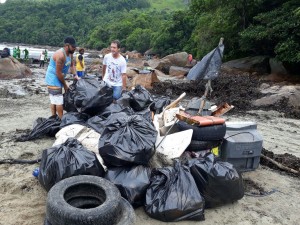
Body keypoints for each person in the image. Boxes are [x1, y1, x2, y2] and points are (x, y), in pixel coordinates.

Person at [45, 36, 77, 118]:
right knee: (58, 100)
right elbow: (58, 72)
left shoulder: (70, 54)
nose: (74, 48)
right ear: (67, 46)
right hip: (53, 77)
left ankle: (54, 117)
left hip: (59, 76)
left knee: (54, 99)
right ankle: (60, 119)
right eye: (73, 47)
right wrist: (65, 85)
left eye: (75, 47)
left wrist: (75, 75)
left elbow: (72, 65)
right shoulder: (60, 55)